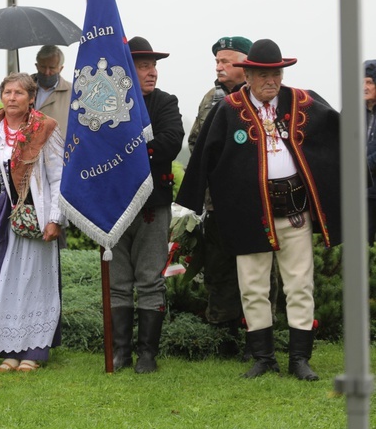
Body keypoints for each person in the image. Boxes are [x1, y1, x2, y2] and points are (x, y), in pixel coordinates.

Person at [176, 39, 341, 380]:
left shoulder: (303, 101)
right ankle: (263, 357)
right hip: (247, 212)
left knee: (299, 283)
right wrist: (191, 201)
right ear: (248, 74)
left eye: (276, 73)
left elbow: (338, 135)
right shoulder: (229, 108)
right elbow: (205, 151)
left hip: (294, 209)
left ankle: (299, 359)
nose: (272, 81)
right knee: (253, 286)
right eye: (264, 74)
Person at [0, 72, 64, 372]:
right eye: (7, 92)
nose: (12, 98)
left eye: (19, 93)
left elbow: (58, 177)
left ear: (31, 98)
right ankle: (6, 349)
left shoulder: (44, 129)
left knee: (30, 285)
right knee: (0, 285)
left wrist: (55, 218)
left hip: (31, 219)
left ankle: (32, 352)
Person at [108, 37, 184, 374]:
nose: (152, 72)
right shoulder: (107, 104)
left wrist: (126, 149)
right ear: (127, 70)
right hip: (113, 205)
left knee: (151, 279)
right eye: (143, 66)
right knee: (118, 280)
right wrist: (139, 147)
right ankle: (120, 352)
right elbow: (98, 148)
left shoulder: (166, 102)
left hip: (154, 204)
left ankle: (147, 355)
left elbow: (169, 144)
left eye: (153, 66)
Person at [187, 36, 252, 352]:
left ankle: (258, 335)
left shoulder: (260, 97)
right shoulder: (210, 98)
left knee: (257, 270)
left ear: (245, 64)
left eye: (226, 61)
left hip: (255, 204)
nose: (219, 66)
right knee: (218, 267)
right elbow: (195, 142)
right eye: (217, 61)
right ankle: (224, 337)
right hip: (217, 202)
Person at [32, 45, 72, 134]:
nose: (47, 72)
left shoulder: (72, 93)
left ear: (61, 68)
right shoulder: (24, 88)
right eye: (43, 67)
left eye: (52, 68)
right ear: (37, 66)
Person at [364, 60, 376, 243]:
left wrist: (363, 165)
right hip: (360, 194)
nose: (364, 87)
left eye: (369, 82)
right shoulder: (350, 112)